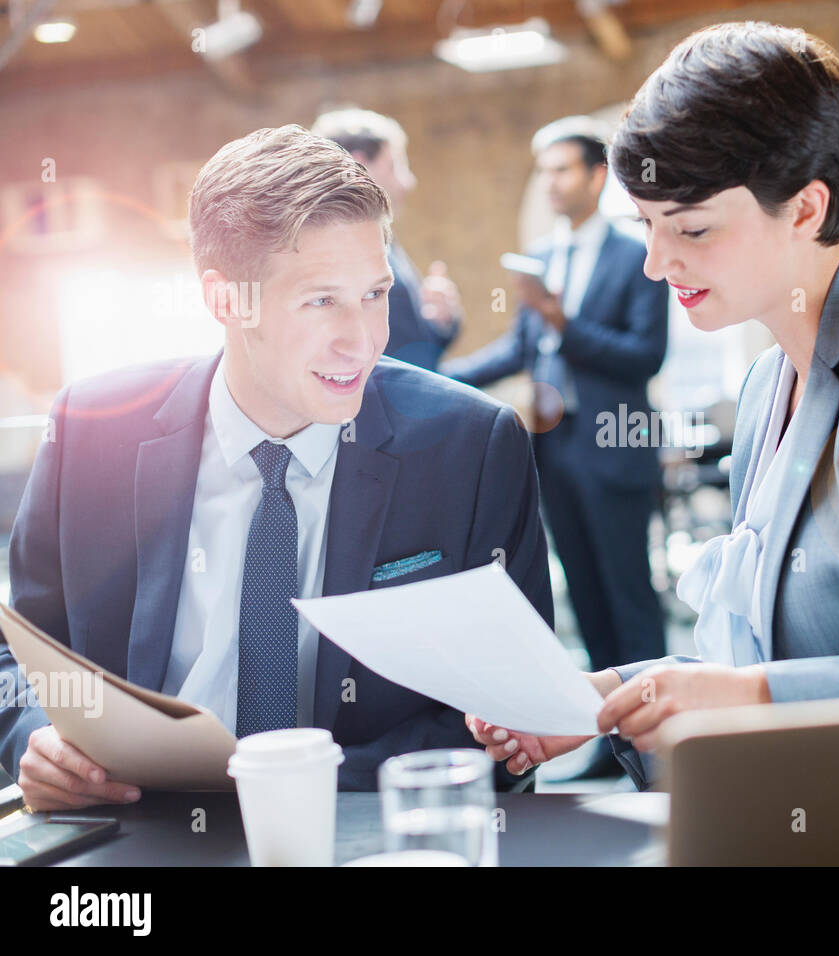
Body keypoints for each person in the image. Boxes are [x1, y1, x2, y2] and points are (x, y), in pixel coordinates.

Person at [466, 22, 839, 787]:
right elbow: (776, 657)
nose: (659, 264)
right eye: (647, 229)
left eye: (691, 228)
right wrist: (621, 694)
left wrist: (749, 698)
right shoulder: (769, 383)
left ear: (804, 208)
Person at [0, 125, 552, 810]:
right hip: (135, 826)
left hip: (360, 825)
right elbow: (18, 655)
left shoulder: (471, 446)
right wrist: (35, 737)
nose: (364, 339)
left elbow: (512, 708)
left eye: (375, 294)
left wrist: (293, 789)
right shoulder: (91, 430)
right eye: (322, 300)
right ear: (225, 300)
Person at [442, 117, 669, 779]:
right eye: (544, 172)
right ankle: (604, 735)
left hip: (614, 445)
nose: (551, 183)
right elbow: (517, 351)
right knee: (586, 596)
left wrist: (564, 325)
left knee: (629, 596)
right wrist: (431, 378)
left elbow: (644, 358)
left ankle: (660, 746)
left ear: (598, 177)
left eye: (563, 170)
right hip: (552, 452)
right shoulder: (540, 258)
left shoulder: (639, 255)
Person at [311, 108, 464, 371]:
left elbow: (415, 350)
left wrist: (443, 323)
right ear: (360, 165)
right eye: (396, 166)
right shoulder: (337, 255)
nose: (409, 182)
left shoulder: (384, 240)